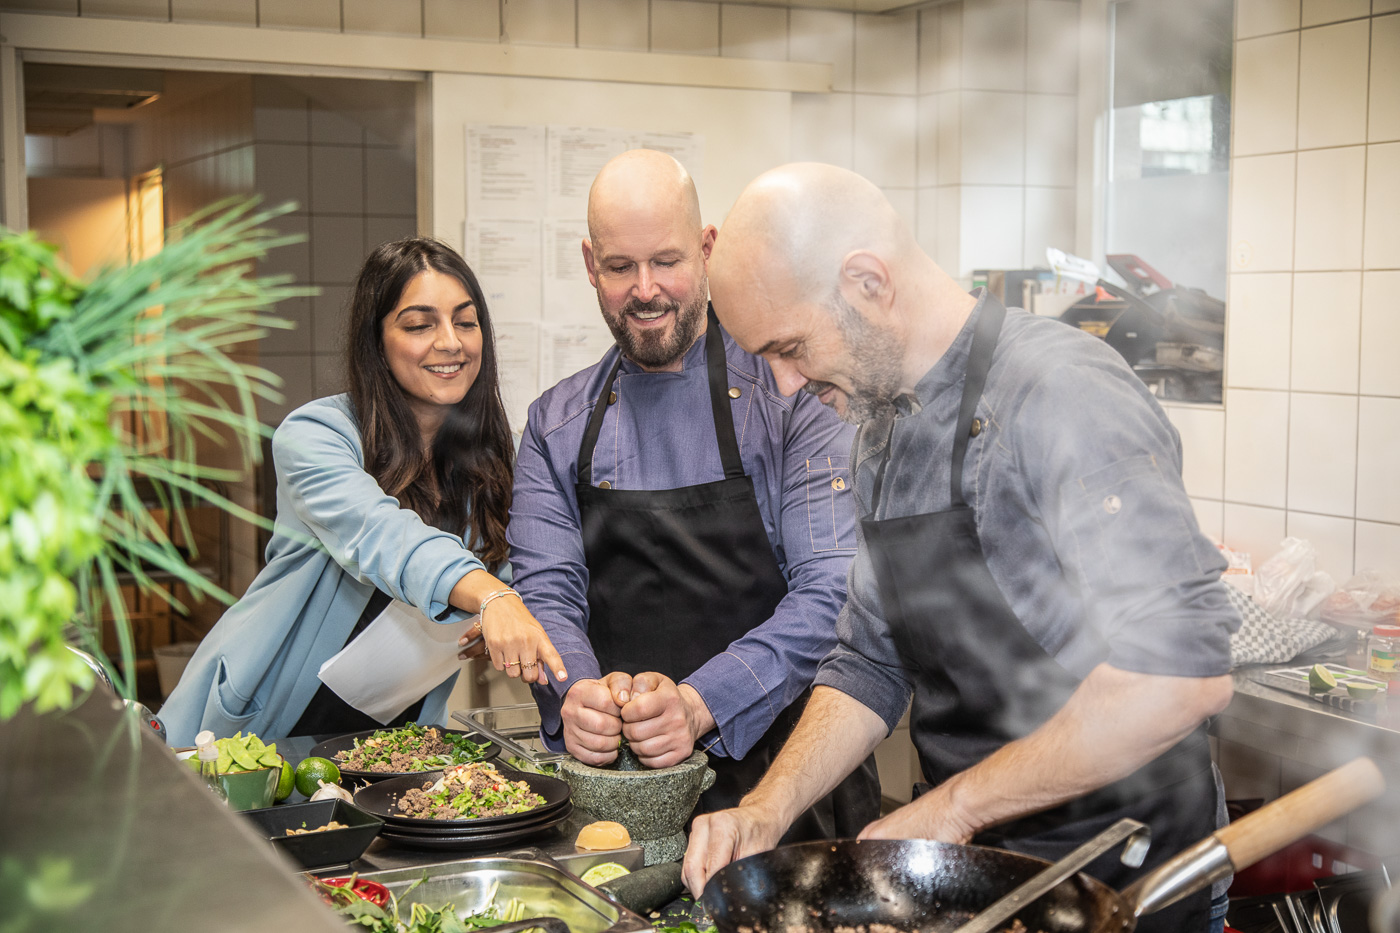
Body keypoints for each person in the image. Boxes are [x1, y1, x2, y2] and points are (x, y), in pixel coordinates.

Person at [681, 164, 1240, 933]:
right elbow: (869, 660)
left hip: (1122, 879)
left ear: (868, 282)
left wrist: (955, 806)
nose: (782, 386)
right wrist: (766, 809)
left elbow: (1181, 678)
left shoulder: (1061, 393)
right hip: (978, 885)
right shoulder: (878, 425)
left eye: (790, 347)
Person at [507, 150, 880, 838]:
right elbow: (547, 596)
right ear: (591, 264)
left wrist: (702, 701)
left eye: (667, 261)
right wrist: (576, 695)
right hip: (621, 808)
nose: (646, 290)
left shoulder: (795, 396)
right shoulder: (554, 426)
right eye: (620, 267)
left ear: (706, 250)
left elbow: (833, 594)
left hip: (791, 791)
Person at [161, 237, 565, 747]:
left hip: (390, 747)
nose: (450, 342)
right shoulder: (315, 436)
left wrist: (510, 613)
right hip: (255, 730)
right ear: (376, 341)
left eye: (465, 322)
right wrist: (490, 596)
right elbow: (381, 534)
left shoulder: (495, 459)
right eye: (420, 325)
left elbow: (532, 571)